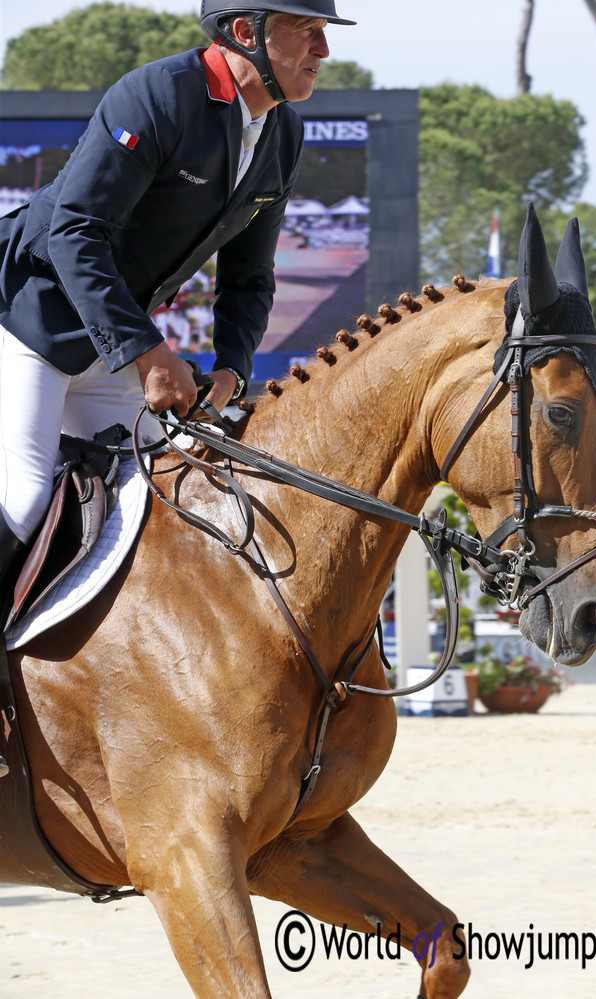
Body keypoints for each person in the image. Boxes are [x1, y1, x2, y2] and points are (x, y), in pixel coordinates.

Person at [0, 0, 355, 776]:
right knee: (26, 497)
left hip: (114, 341)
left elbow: (251, 273)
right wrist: (148, 352)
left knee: (170, 506)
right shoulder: (156, 96)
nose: (323, 48)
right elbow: (74, 235)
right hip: (31, 316)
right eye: (307, 29)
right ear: (243, 32)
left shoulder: (279, 132)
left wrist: (232, 360)